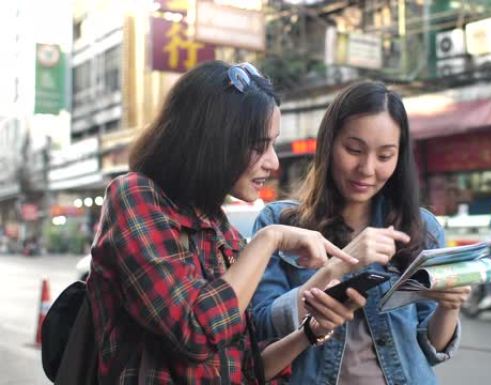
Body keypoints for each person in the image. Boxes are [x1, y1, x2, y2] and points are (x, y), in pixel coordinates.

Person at [86, 61, 363, 384]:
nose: (273, 162)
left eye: (272, 145)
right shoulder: (135, 196)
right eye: (259, 146)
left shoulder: (221, 231)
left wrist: (311, 332)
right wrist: (269, 238)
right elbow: (195, 333)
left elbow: (246, 369)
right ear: (214, 140)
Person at [250, 81, 470, 385]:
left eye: (384, 156)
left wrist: (449, 306)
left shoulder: (421, 228)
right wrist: (341, 263)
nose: (367, 169)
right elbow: (262, 326)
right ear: (329, 144)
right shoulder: (280, 224)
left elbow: (430, 350)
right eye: (354, 150)